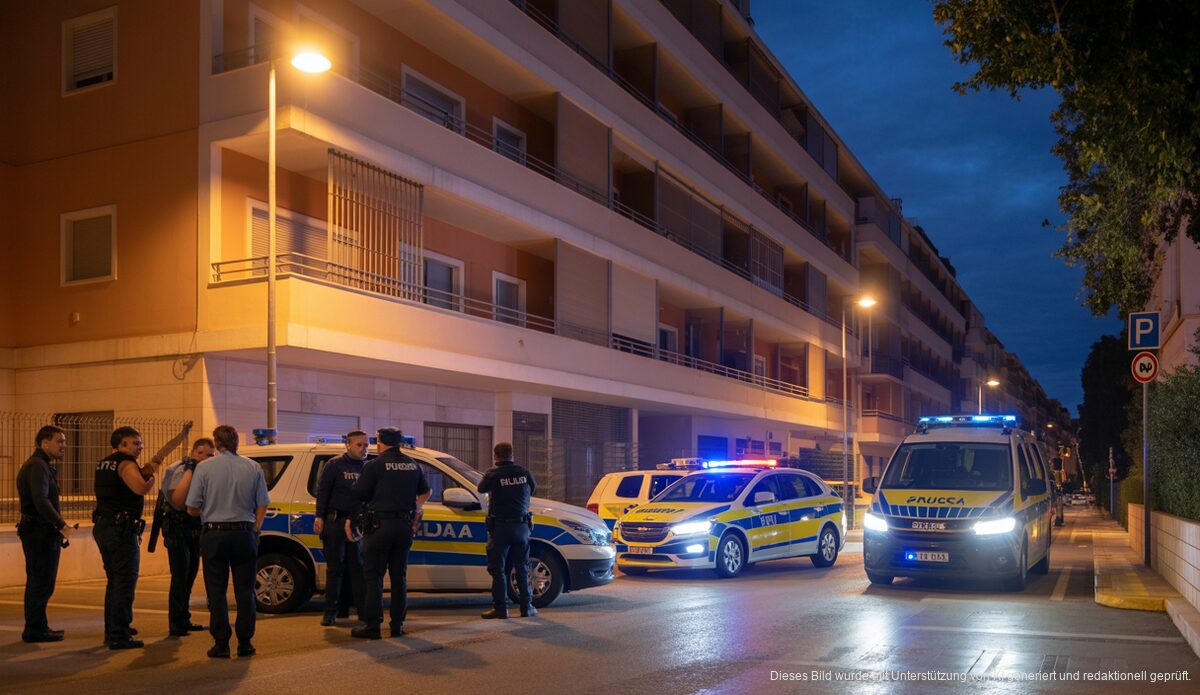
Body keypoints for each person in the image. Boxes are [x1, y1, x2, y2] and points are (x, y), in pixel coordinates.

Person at [93, 424, 190, 649]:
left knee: (114, 581)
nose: (140, 446)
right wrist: (152, 481)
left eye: (140, 442)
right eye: (135, 443)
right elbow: (139, 488)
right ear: (122, 444)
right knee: (125, 582)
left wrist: (149, 466)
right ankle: (119, 634)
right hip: (121, 530)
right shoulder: (126, 463)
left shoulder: (104, 463)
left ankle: (113, 629)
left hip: (105, 526)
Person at [186, 425, 270, 659]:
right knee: (245, 590)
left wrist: (207, 510)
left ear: (216, 443)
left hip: (214, 534)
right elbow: (263, 502)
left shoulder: (204, 467)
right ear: (236, 442)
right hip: (245, 533)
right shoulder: (253, 467)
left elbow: (192, 507)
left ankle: (221, 643)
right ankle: (245, 642)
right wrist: (256, 526)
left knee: (216, 590)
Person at [351, 427, 430, 639]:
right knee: (399, 577)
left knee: (373, 577)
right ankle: (397, 626)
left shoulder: (374, 465)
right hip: (404, 526)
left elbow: (359, 493)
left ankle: (373, 626)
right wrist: (417, 507)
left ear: (381, 442)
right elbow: (426, 491)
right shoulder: (413, 465)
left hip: (379, 527)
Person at [16, 425, 71, 643]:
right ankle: (34, 629)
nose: (63, 446)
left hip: (39, 531)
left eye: (64, 441)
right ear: (44, 443)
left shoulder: (40, 465)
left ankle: (39, 626)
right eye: (59, 441)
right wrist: (60, 524)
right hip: (39, 532)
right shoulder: (38, 465)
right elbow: (40, 500)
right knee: (41, 581)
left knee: (41, 581)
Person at [477, 441, 538, 619]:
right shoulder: (524, 473)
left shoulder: (493, 474)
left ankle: (501, 609)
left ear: (495, 456)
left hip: (501, 527)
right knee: (521, 567)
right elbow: (533, 489)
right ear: (512, 455)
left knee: (498, 570)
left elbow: (481, 489)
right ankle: (526, 607)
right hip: (521, 526)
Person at [161, 437, 215, 637]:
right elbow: (177, 501)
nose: (206, 457)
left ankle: (183, 618)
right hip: (178, 528)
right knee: (180, 576)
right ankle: (176, 623)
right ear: (194, 453)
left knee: (190, 575)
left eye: (210, 454)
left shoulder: (207, 471)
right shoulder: (182, 470)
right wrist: (191, 470)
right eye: (202, 453)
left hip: (194, 529)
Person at [314, 430, 368, 626]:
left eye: (366, 445)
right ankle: (330, 613)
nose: (364, 449)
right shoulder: (335, 465)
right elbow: (323, 492)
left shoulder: (367, 467)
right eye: (359, 445)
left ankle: (363, 612)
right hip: (335, 523)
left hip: (357, 525)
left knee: (358, 569)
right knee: (335, 570)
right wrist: (319, 516)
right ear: (348, 444)